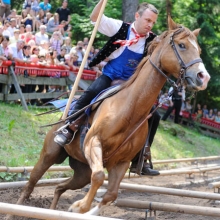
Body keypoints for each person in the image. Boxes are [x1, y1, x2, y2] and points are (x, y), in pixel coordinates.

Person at [54, 1, 160, 176]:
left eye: (153, 22)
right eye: (147, 20)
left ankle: (141, 158)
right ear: (137, 16)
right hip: (110, 76)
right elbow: (95, 18)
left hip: (131, 85)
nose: (150, 25)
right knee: (91, 92)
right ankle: (69, 127)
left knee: (154, 115)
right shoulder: (119, 27)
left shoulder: (152, 40)